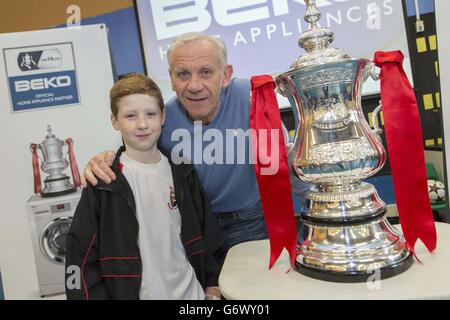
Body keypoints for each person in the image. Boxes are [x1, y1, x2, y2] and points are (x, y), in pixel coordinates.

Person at [82, 32, 310, 263]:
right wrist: (105, 159)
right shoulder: (162, 120)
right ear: (171, 78)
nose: (194, 85)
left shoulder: (254, 102)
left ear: (225, 75)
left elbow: (286, 167)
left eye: (206, 72)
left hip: (250, 223)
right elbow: (135, 157)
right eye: (183, 74)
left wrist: (325, 216)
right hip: (192, 228)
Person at [65, 73, 222, 300]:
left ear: (163, 117)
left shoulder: (183, 171)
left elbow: (209, 235)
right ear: (115, 121)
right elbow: (80, 257)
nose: (142, 124)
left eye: (150, 114)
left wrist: (213, 283)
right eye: (130, 116)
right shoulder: (104, 182)